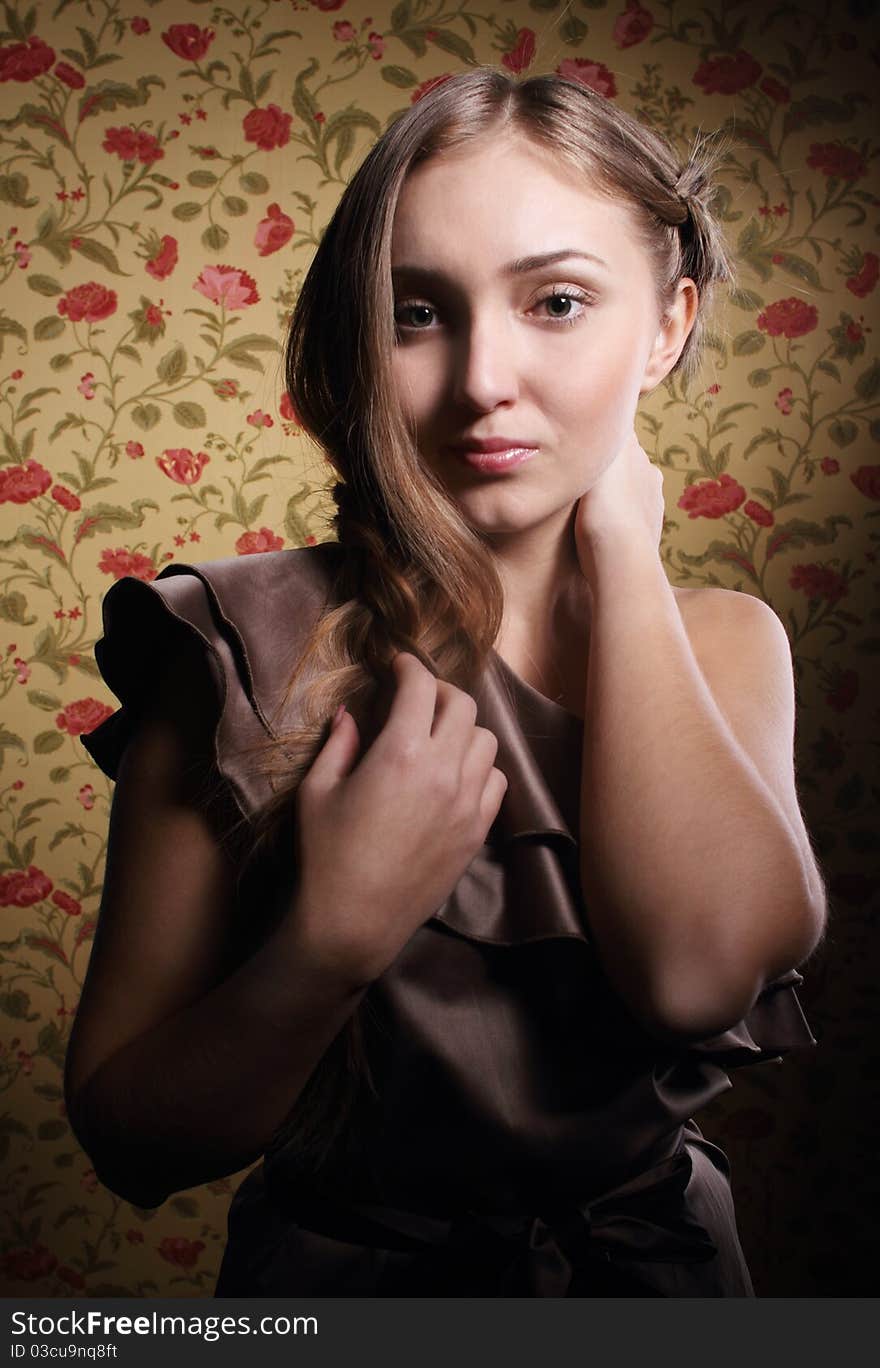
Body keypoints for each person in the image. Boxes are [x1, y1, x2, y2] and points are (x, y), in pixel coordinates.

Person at [64, 68, 826, 1298]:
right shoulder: (233, 648)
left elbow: (691, 977)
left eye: (559, 302)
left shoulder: (726, 644)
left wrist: (622, 546)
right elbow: (126, 1135)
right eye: (416, 313)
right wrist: (329, 941)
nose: (482, 381)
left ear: (669, 325)